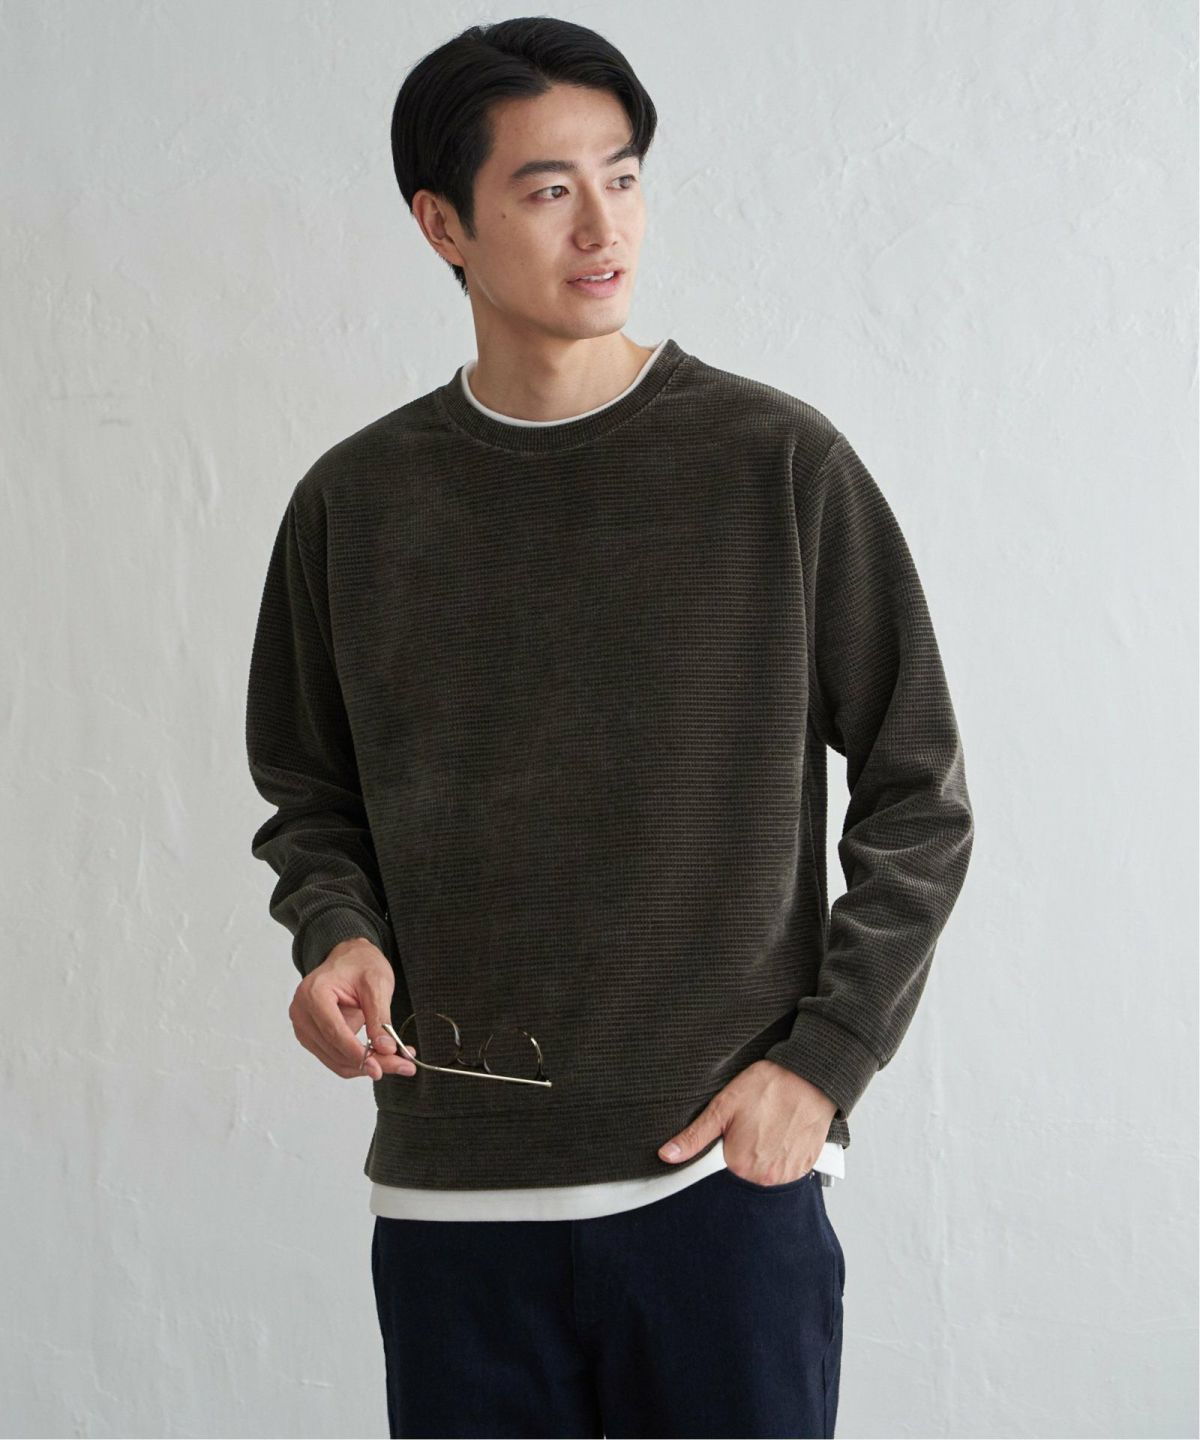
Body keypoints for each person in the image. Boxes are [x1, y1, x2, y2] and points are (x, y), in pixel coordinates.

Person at [244, 16, 975, 1439]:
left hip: (719, 1197)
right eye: (547, 188)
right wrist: (335, 933)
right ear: (441, 224)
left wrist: (825, 1063)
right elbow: (311, 792)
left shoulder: (777, 464)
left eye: (624, 178)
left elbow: (919, 792)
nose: (603, 226)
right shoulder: (355, 504)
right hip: (454, 1211)